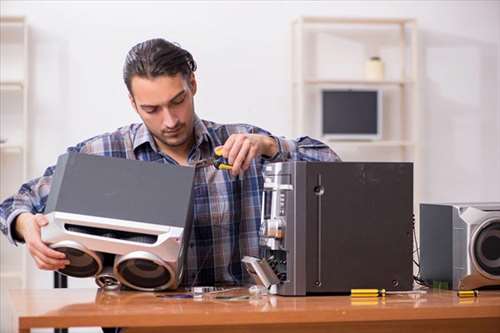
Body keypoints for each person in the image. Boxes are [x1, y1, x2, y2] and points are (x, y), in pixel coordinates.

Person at [0, 38, 340, 287]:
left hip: (236, 318)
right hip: (139, 319)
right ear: (133, 103)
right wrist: (26, 226)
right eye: (152, 109)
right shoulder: (106, 151)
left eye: (177, 101)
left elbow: (333, 167)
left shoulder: (243, 144)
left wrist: (269, 145)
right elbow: (15, 204)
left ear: (192, 85)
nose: (169, 120)